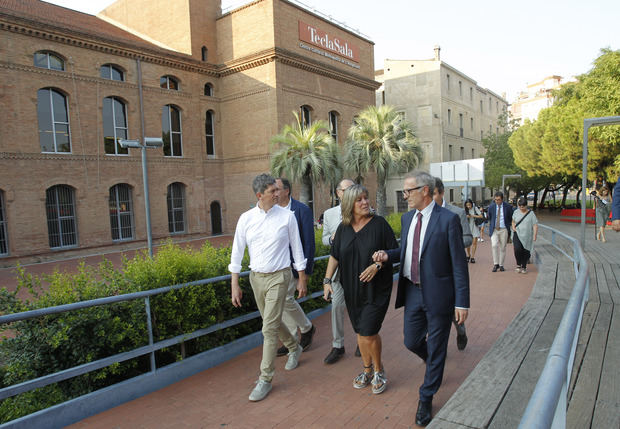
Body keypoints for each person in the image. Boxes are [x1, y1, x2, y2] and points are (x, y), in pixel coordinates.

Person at [373, 171, 469, 426]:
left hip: (439, 294)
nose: (404, 196)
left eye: (408, 191)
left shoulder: (448, 220)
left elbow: (459, 265)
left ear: (424, 190)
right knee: (411, 340)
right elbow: (406, 251)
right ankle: (433, 362)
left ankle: (426, 396)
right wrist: (387, 255)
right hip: (412, 291)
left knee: (437, 346)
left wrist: (462, 302)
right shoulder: (407, 219)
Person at [229, 173, 307, 402]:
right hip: (256, 278)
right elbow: (236, 252)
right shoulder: (245, 219)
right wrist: (235, 284)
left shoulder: (287, 217)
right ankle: (294, 346)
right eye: (273, 191)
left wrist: (301, 277)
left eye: (278, 190)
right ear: (259, 195)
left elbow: (297, 248)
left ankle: (265, 378)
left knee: (269, 328)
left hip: (280, 277)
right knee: (269, 322)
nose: (278, 194)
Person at [322, 184, 398, 394]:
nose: (365, 202)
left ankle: (379, 370)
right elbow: (335, 255)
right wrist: (327, 280)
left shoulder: (379, 224)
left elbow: (395, 251)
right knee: (360, 331)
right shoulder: (343, 228)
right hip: (351, 288)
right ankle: (367, 370)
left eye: (366, 198)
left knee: (368, 331)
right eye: (359, 200)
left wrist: (378, 265)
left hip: (377, 288)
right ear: (349, 204)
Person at [274, 178, 316, 357]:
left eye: (277, 189)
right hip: (277, 266)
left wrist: (304, 274)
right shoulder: (272, 212)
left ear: (287, 191)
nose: (274, 193)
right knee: (282, 304)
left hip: (294, 266)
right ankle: (291, 340)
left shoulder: (301, 210)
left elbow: (309, 243)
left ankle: (306, 328)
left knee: (286, 301)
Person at [432, 178, 471, 351]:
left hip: (451, 269)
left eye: (433, 194)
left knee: (452, 308)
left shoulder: (456, 213)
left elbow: (468, 238)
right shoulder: (421, 214)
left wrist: (449, 244)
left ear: (441, 193)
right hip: (432, 271)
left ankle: (460, 330)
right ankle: (439, 348)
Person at [321, 178, 355, 364]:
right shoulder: (329, 214)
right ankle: (338, 346)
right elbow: (324, 239)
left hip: (358, 269)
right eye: (347, 189)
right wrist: (332, 239)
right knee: (336, 307)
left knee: (358, 306)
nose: (351, 192)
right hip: (337, 270)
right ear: (338, 193)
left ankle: (363, 339)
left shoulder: (363, 209)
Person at [487, 191, 514, 272]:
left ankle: (501, 265)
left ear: (502, 199)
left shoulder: (508, 206)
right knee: (494, 245)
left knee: (503, 247)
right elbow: (489, 216)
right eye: (495, 200)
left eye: (498, 200)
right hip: (494, 229)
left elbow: (510, 217)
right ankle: (496, 264)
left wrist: (508, 225)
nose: (497, 201)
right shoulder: (491, 207)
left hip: (504, 229)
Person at [511, 197, 538, 273]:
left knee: (526, 250)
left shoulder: (531, 214)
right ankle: (518, 264)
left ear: (526, 205)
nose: (521, 208)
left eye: (523, 206)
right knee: (517, 249)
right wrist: (513, 228)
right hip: (517, 233)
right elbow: (513, 221)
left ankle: (524, 266)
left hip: (527, 235)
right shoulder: (516, 212)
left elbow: (535, 225)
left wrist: (535, 235)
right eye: (520, 206)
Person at [464, 199, 483, 263]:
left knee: (474, 242)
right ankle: (468, 255)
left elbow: (481, 216)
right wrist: (466, 217)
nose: (468, 206)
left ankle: (472, 257)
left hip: (474, 226)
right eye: (467, 205)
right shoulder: (465, 210)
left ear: (472, 204)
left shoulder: (475, 208)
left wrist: (472, 216)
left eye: (469, 205)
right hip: (468, 227)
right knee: (468, 242)